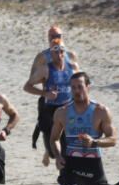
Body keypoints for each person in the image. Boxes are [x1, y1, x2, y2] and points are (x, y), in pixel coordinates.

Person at [24, 38, 79, 185]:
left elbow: (82, 85)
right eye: (56, 51)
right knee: (54, 149)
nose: (60, 54)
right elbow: (27, 86)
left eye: (62, 50)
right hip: (50, 111)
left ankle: (63, 184)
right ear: (51, 53)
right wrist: (45, 93)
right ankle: (50, 154)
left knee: (67, 147)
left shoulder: (73, 67)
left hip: (68, 110)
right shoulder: (45, 69)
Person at [25, 26, 82, 167]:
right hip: (49, 106)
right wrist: (46, 92)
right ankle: (48, 150)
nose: (54, 37)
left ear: (63, 36)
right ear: (47, 38)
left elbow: (79, 82)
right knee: (52, 142)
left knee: (67, 143)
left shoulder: (71, 57)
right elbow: (30, 80)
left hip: (67, 106)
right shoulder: (42, 58)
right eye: (51, 36)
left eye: (58, 35)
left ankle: (63, 179)